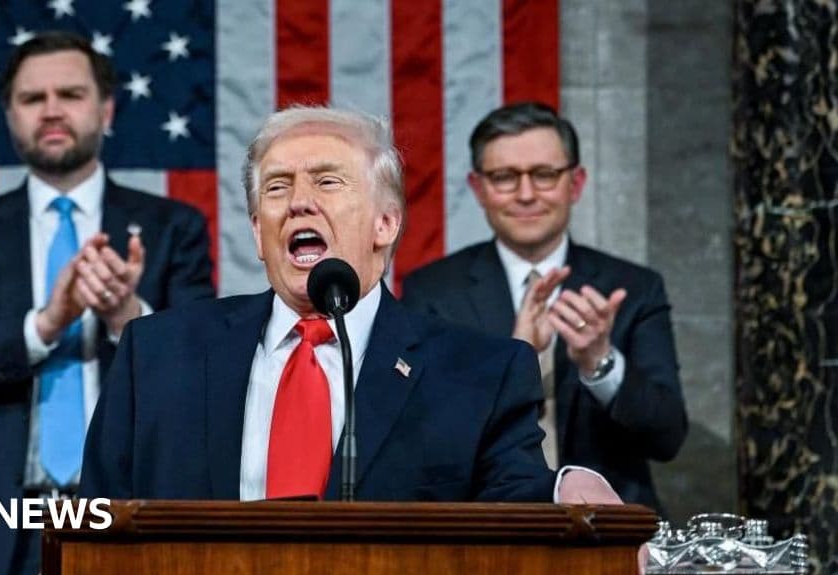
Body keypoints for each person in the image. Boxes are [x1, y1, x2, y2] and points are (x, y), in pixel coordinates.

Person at [80, 106, 621, 508]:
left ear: (385, 223)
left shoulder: (480, 373)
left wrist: (563, 486)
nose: (299, 202)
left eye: (327, 181)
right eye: (277, 187)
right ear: (258, 232)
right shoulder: (156, 353)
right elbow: (93, 521)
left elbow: (512, 511)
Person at [0, 31, 215, 575]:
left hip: (126, 513)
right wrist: (43, 326)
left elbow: (206, 376)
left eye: (70, 94)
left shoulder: (172, 228)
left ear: (106, 110)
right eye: (31, 98)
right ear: (10, 116)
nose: (51, 111)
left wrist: (126, 317)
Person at [401, 102, 688, 513]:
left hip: (609, 526)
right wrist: (515, 359)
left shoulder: (634, 288)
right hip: (487, 525)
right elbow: (422, 441)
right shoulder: (432, 292)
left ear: (576, 183)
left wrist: (600, 362)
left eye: (544, 174)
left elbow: (667, 436)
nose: (526, 194)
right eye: (504, 177)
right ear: (478, 188)